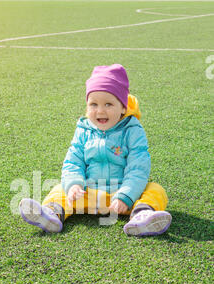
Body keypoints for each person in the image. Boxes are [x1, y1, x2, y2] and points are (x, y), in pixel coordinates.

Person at [19, 64, 172, 236]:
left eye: (108, 104)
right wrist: (74, 185)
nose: (100, 110)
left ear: (123, 107)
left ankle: (141, 216)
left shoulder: (133, 130)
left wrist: (125, 196)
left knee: (155, 190)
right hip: (88, 195)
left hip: (122, 198)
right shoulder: (84, 129)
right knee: (59, 189)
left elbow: (138, 168)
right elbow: (73, 160)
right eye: (93, 104)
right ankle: (51, 214)